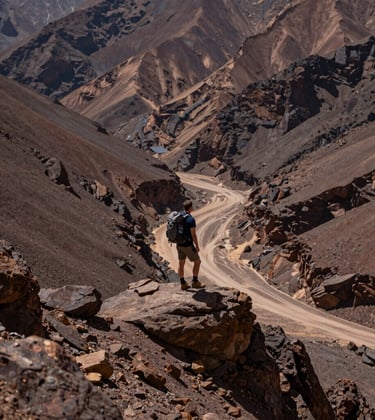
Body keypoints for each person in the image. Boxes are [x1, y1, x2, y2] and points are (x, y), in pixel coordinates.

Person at [177, 200, 205, 290]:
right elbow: (193, 235)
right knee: (197, 262)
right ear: (190, 208)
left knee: (181, 263)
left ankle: (183, 283)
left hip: (179, 244)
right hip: (187, 245)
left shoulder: (179, 216)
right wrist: (197, 246)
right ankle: (195, 282)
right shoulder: (190, 219)